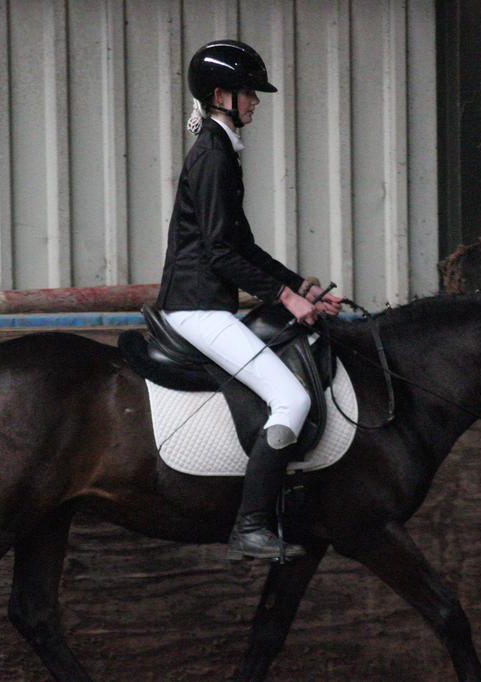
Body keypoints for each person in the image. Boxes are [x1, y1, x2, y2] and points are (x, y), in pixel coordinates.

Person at [156, 39, 342, 561]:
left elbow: (243, 245)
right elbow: (220, 254)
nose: (256, 102)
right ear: (221, 97)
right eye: (249, 93)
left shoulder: (222, 151)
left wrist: (299, 286)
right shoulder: (213, 156)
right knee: (292, 399)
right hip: (196, 307)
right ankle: (251, 525)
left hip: (204, 302)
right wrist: (285, 297)